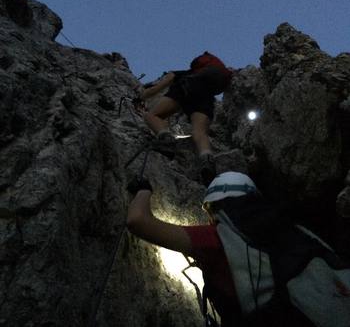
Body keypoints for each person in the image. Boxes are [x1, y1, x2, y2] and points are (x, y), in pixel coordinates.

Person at [127, 172, 349, 326]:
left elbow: (138, 220)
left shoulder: (219, 237)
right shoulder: (296, 229)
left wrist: (143, 190)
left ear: (214, 207)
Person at [136, 52, 232, 186]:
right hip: (206, 96)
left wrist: (143, 95)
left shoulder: (183, 73)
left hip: (187, 87)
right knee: (200, 132)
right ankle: (207, 159)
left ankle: (166, 140)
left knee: (153, 115)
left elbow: (159, 87)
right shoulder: (210, 77)